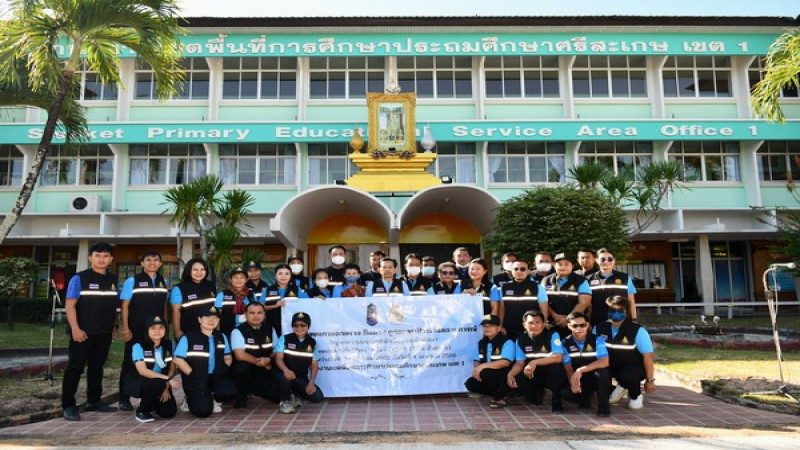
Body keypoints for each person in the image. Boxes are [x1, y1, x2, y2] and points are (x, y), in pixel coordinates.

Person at [61, 242, 120, 421]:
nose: (102, 259)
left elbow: (113, 306)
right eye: (98, 255)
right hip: (82, 333)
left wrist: (114, 326)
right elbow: (70, 305)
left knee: (96, 367)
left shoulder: (113, 280)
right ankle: (68, 405)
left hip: (104, 333)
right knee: (75, 368)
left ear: (111, 259)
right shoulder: (79, 278)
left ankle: (94, 401)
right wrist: (75, 329)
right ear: (90, 258)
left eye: (105, 256)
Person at [118, 250, 170, 412]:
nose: (152, 263)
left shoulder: (164, 281)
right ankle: (124, 398)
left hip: (157, 331)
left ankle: (153, 393)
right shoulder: (132, 281)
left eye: (156, 260)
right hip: (136, 329)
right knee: (129, 362)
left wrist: (166, 326)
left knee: (157, 360)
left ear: (160, 263)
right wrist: (125, 328)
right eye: (148, 260)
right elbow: (125, 306)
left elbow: (164, 307)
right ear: (142, 263)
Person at [173, 305, 237, 417]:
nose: (211, 321)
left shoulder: (221, 337)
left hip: (215, 376)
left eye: (215, 318)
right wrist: (193, 374)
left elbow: (228, 357)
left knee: (229, 392)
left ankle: (211, 396)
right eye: (207, 317)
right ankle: (189, 399)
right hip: (195, 378)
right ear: (199, 319)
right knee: (203, 411)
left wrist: (223, 369)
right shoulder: (188, 337)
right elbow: (178, 359)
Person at [594, 295, 656, 410]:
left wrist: (650, 380)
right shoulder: (598, 328)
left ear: (627, 312)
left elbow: (648, 356)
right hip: (608, 365)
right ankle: (619, 387)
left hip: (631, 367)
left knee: (629, 376)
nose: (616, 313)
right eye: (612, 310)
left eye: (620, 310)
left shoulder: (638, 330)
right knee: (597, 373)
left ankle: (635, 395)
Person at [507, 310, 565, 413]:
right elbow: (520, 363)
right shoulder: (520, 339)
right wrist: (510, 374)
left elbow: (558, 357)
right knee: (518, 377)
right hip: (532, 373)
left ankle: (556, 401)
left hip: (549, 373)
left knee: (557, 368)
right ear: (524, 325)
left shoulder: (552, 335)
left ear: (543, 324)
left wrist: (534, 362)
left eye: (538, 322)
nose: (534, 326)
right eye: (530, 323)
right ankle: (536, 394)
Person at [123, 315, 178, 423]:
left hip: (162, 382)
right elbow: (143, 371)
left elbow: (172, 366)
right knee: (155, 383)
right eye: (153, 328)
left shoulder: (170, 344)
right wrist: (166, 379)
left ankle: (153, 402)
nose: (157, 331)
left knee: (169, 412)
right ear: (147, 330)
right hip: (141, 381)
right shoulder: (139, 346)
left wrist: (166, 387)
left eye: (161, 328)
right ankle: (142, 411)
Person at [560, 312, 611, 417]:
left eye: (582, 325)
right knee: (565, 394)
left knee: (602, 374)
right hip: (578, 378)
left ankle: (603, 407)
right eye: (574, 326)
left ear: (588, 325)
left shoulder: (598, 340)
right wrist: (573, 383)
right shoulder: (565, 342)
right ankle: (585, 398)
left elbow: (604, 361)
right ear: (568, 326)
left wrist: (581, 370)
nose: (579, 329)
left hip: (594, 375)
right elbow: (568, 367)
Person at [274, 312, 324, 414]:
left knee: (317, 397)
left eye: (303, 325)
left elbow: (314, 366)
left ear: (308, 326)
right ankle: (285, 402)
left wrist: (311, 383)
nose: (299, 328)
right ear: (292, 326)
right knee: (285, 379)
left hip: (299, 377)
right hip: (283, 373)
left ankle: (295, 395)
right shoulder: (284, 339)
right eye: (296, 325)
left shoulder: (312, 343)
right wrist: (286, 370)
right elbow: (278, 358)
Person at [230, 302, 279, 408]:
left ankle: (255, 389)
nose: (256, 316)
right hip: (248, 369)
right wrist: (262, 363)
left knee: (276, 397)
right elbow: (240, 355)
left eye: (259, 313)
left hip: (265, 368)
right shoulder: (237, 331)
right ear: (245, 314)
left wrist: (269, 359)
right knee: (240, 368)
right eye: (252, 313)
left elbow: (276, 350)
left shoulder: (270, 329)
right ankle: (242, 395)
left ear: (264, 314)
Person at [464, 314, 514, 408]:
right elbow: (476, 360)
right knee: (471, 384)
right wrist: (478, 370)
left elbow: (505, 362)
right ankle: (498, 392)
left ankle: (501, 397)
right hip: (488, 373)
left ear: (498, 328)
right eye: (485, 326)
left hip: (504, 375)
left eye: (491, 326)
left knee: (485, 373)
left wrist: (481, 367)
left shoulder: (507, 342)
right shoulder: (482, 342)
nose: (487, 328)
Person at [489, 259, 548, 339]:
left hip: (531, 329)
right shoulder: (504, 288)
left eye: (522, 269)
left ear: (528, 271)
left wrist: (542, 325)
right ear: (512, 271)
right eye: (516, 269)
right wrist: (500, 325)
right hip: (509, 329)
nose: (519, 271)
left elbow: (544, 309)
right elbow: (502, 309)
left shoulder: (537, 287)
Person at [541, 253, 592, 338]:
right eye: (559, 264)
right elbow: (543, 301)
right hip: (552, 324)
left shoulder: (581, 281)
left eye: (566, 264)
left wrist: (568, 319)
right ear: (553, 265)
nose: (563, 267)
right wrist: (555, 316)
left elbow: (584, 303)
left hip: (575, 325)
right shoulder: (545, 281)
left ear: (572, 265)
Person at [585, 248, 638, 326]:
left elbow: (631, 301)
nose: (606, 261)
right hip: (598, 322)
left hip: (622, 320)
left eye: (610, 259)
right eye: (602, 259)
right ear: (596, 260)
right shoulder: (589, 279)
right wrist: (587, 322)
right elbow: (588, 305)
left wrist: (634, 319)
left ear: (614, 260)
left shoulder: (625, 278)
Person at [170, 258, 219, 341]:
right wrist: (177, 330)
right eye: (195, 270)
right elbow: (176, 311)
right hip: (188, 331)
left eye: (202, 269)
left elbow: (215, 308)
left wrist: (217, 328)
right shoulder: (179, 288)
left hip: (209, 330)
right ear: (189, 270)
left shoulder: (211, 286)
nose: (199, 273)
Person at [264, 263, 307, 335]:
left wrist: (317, 299)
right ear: (275, 276)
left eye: (287, 274)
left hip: (293, 327)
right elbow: (260, 308)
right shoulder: (267, 290)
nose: (283, 276)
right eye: (280, 273)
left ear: (290, 276)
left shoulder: (297, 290)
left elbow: (308, 304)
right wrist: (275, 306)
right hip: (272, 327)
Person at [217, 266, 257, 336]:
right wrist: (218, 334)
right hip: (227, 331)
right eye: (235, 277)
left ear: (246, 280)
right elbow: (216, 316)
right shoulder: (223, 294)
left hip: (249, 331)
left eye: (242, 277)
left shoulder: (251, 295)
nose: (239, 280)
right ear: (230, 279)